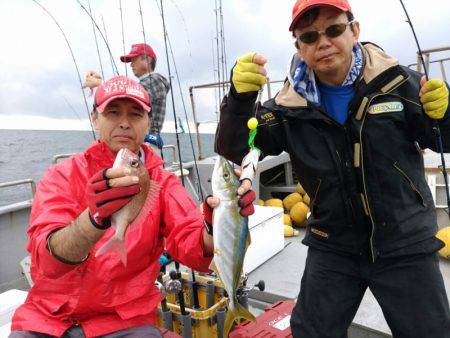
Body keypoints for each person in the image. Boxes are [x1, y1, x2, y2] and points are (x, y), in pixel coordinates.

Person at [215, 0, 450, 337]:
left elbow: (443, 139)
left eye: (334, 29)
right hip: (333, 245)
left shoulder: (400, 83)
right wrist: (238, 101)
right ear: (299, 47)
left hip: (405, 241)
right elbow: (235, 148)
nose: (322, 42)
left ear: (354, 30)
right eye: (309, 36)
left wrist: (445, 112)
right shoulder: (285, 108)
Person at [9, 76, 254, 338]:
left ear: (148, 122)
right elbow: (47, 263)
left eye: (135, 114)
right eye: (113, 112)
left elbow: (191, 246)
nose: (124, 122)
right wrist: (92, 221)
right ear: (95, 118)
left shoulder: (163, 182)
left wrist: (215, 223)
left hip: (125, 321)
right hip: (46, 318)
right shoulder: (62, 175)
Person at [120, 43, 170, 157]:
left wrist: (102, 85)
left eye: (134, 60)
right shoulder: (149, 82)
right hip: (144, 143)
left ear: (147, 60)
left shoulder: (154, 80)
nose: (131, 65)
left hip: (147, 144)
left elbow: (130, 97)